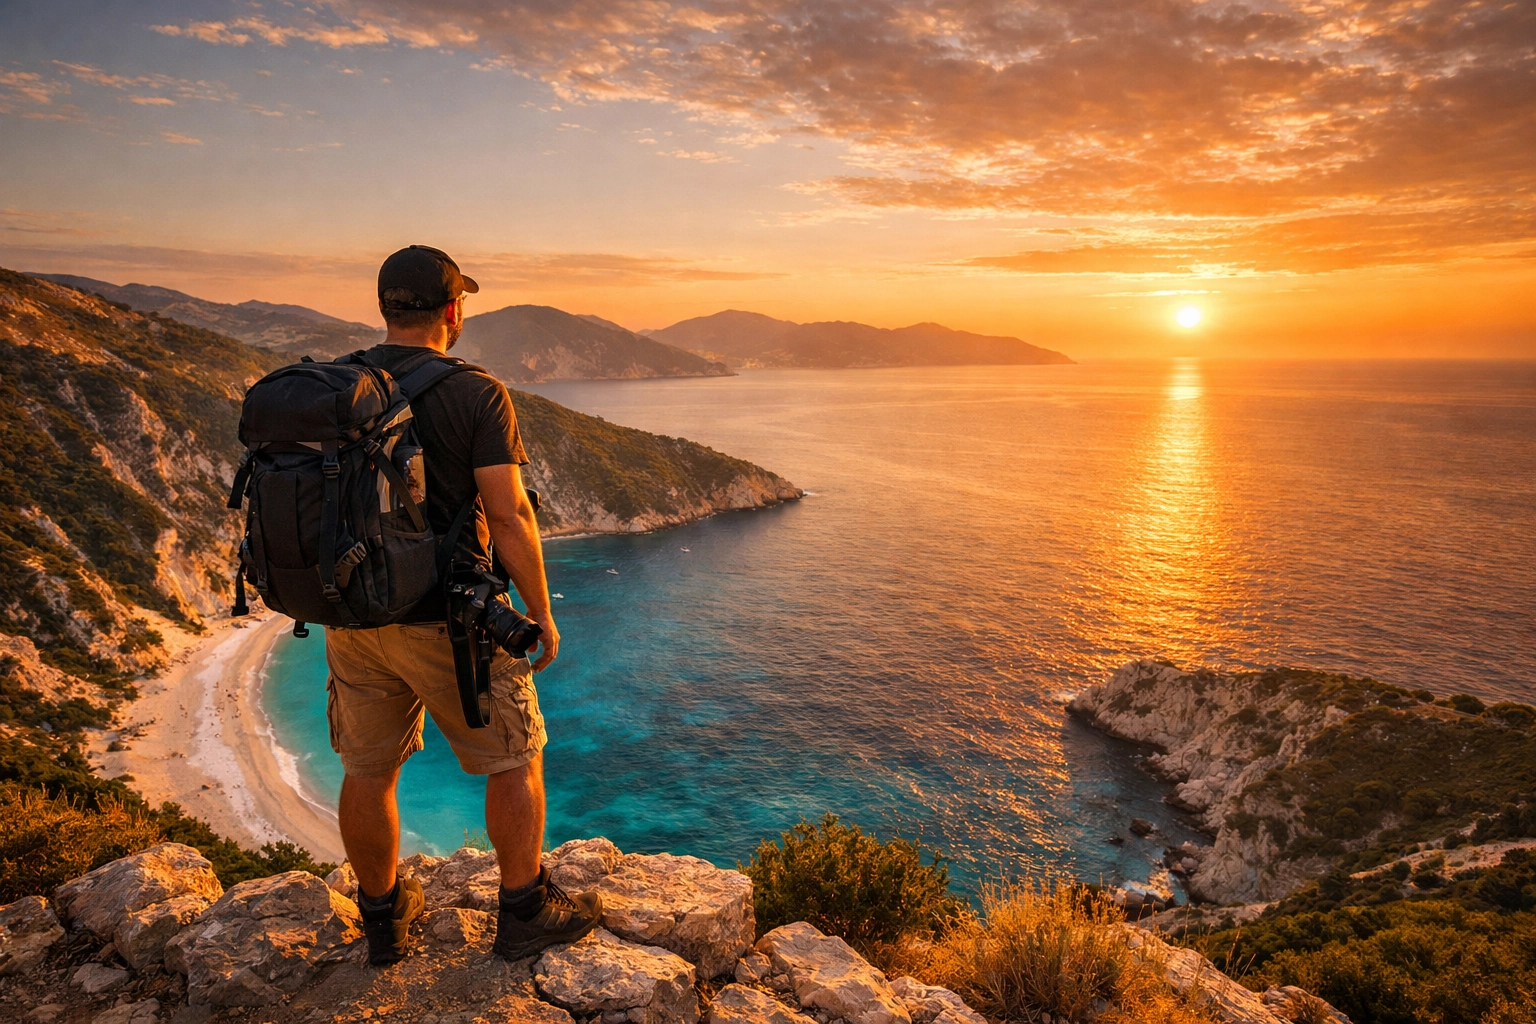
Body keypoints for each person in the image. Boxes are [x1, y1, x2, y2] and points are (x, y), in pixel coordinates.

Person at [324, 245, 602, 965]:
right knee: (514, 757)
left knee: (368, 769)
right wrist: (541, 610)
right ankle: (524, 910)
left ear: (386, 307)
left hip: (355, 617)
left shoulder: (342, 382)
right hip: (449, 620)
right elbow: (508, 515)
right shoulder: (476, 391)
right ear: (454, 310)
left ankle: (382, 920)